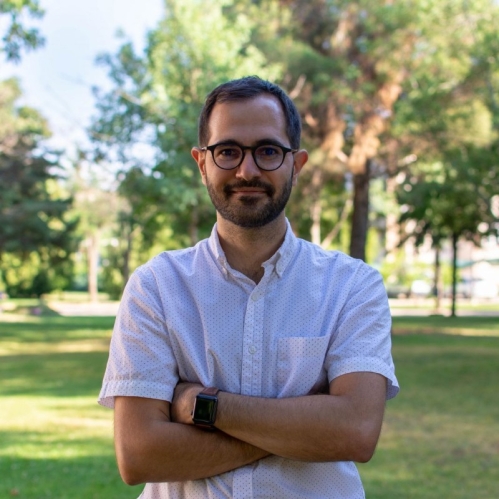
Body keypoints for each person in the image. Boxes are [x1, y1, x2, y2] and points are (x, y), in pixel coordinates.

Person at [98, 76, 399, 499]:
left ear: (297, 164)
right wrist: (304, 430)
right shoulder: (156, 287)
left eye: (268, 151)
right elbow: (139, 455)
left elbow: (356, 431)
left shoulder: (352, 285)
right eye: (228, 152)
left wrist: (203, 406)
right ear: (202, 162)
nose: (247, 170)